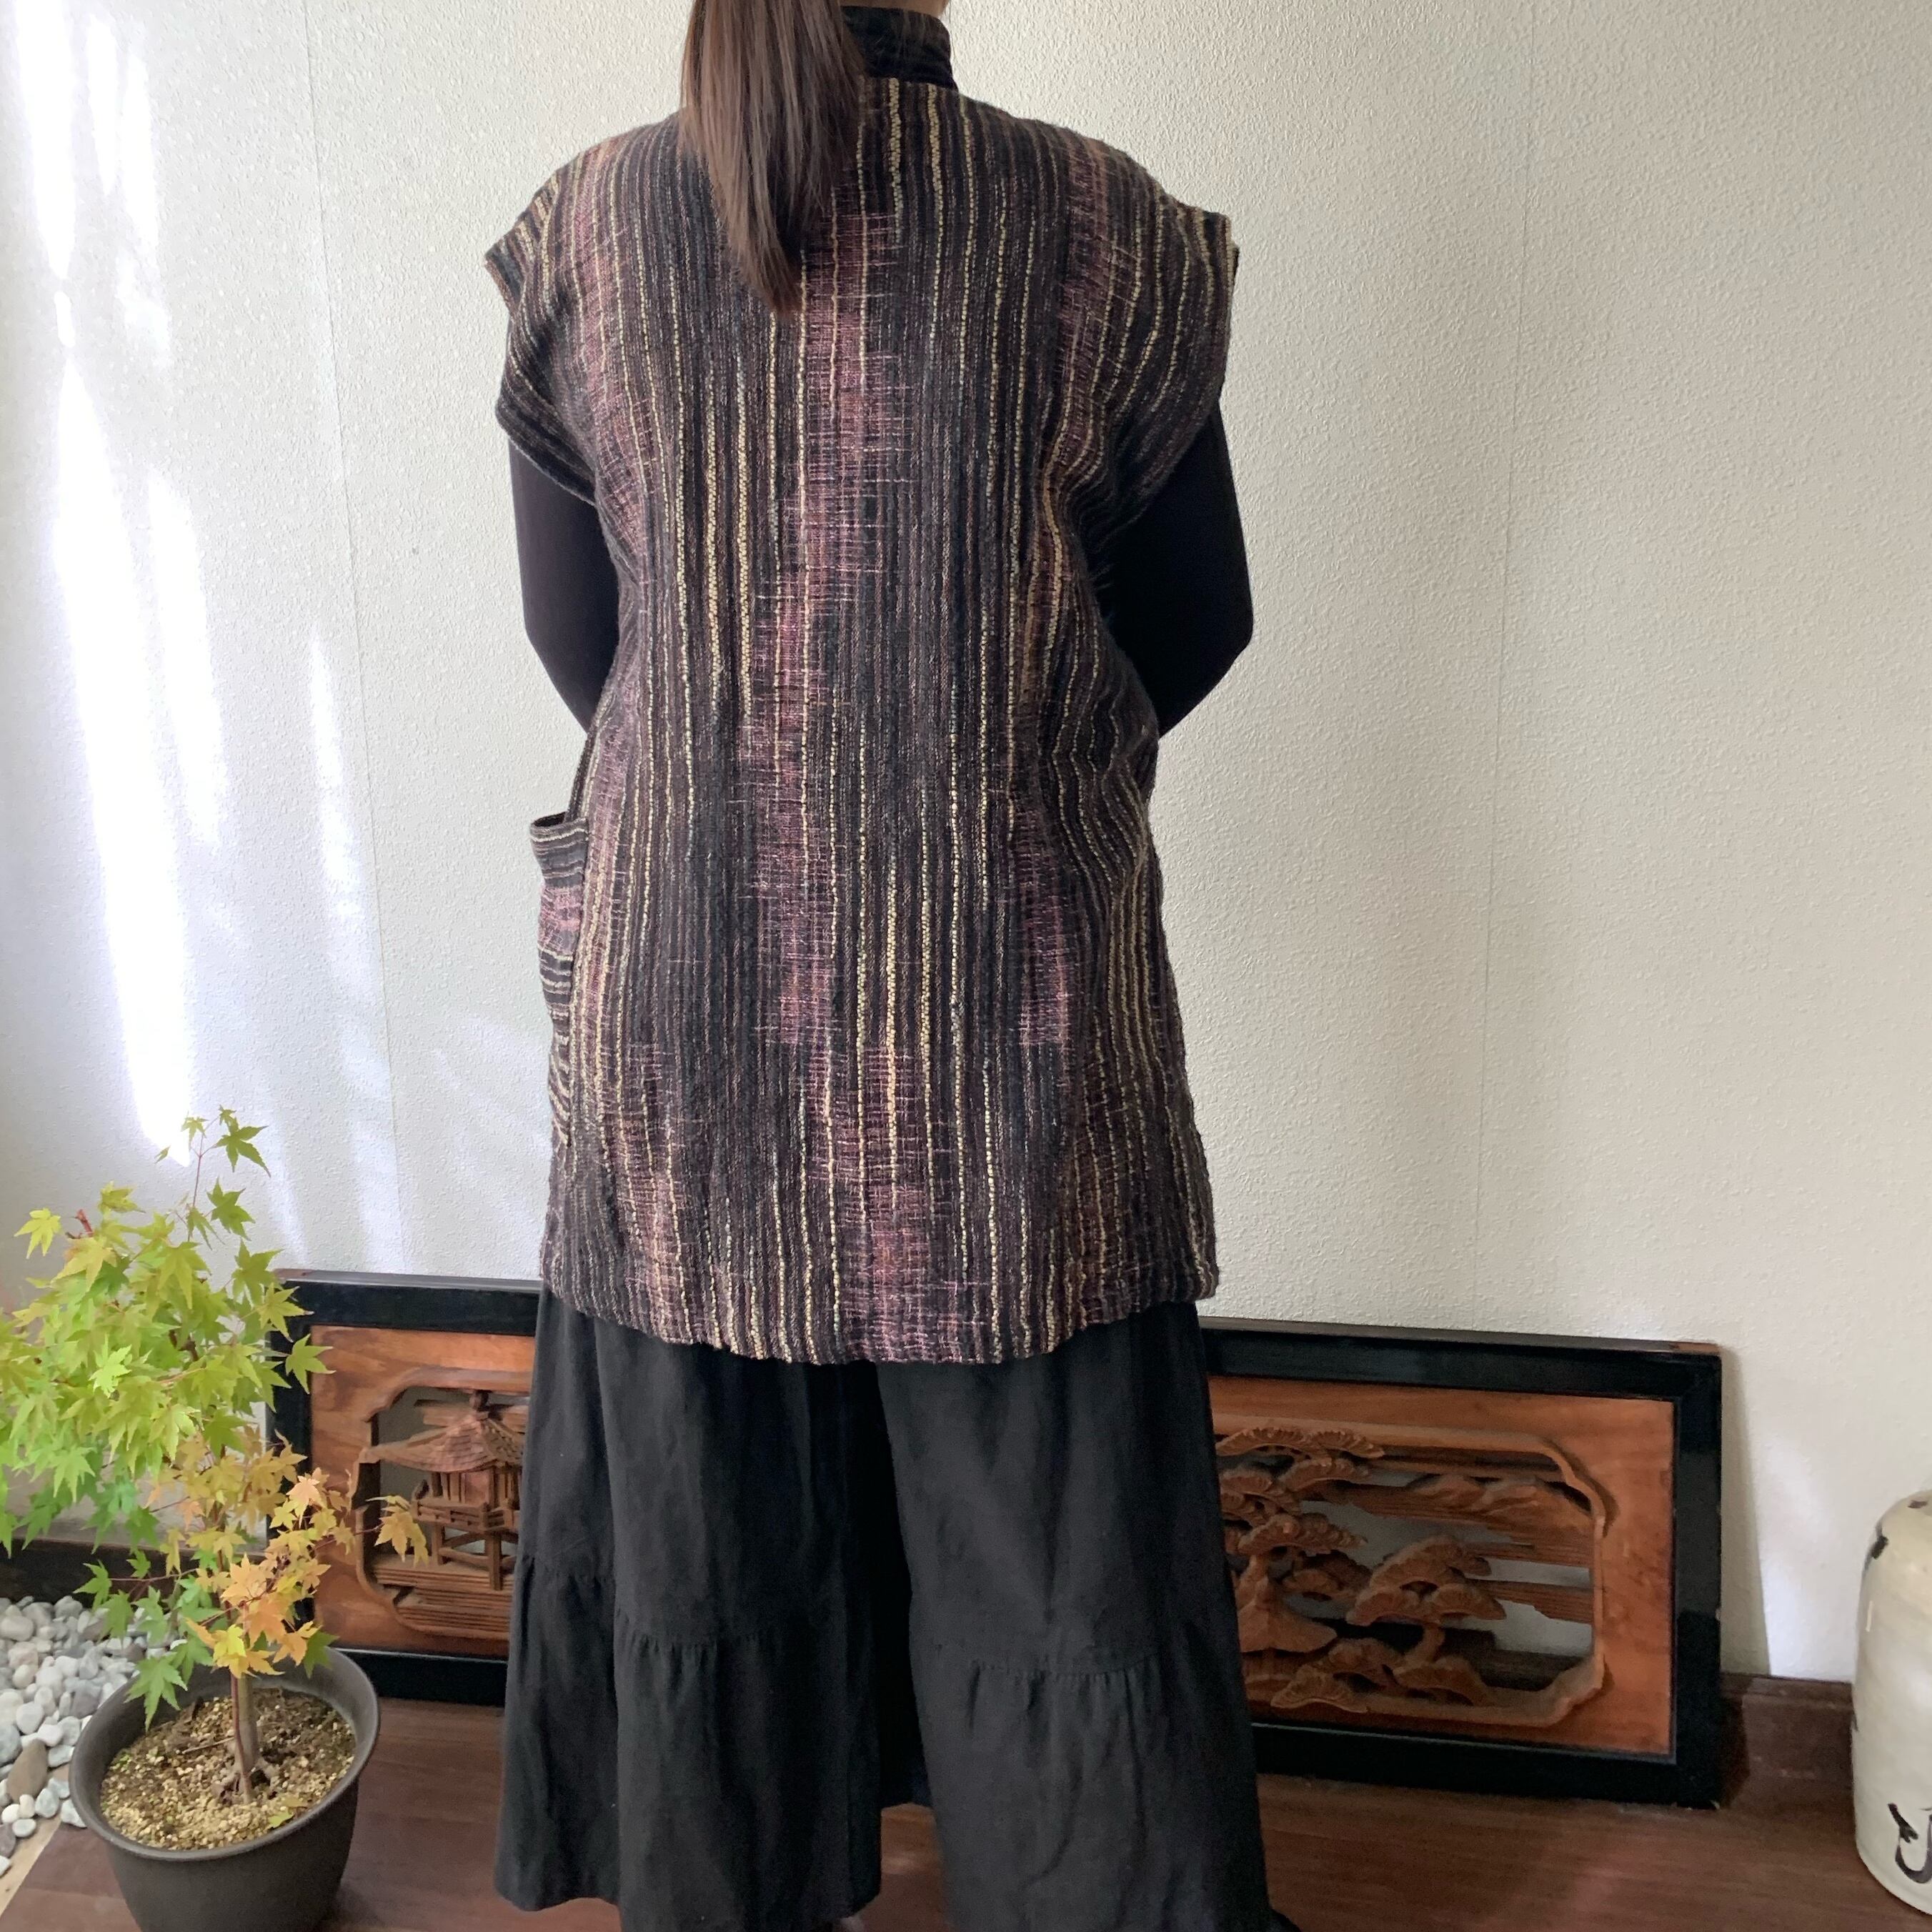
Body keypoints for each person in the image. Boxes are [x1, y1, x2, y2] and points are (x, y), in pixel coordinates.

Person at [484, 5, 1295, 1930]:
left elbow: (581, 643)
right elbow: (1201, 620)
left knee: (713, 1540)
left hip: (685, 1021)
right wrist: (985, 764)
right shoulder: (1100, 230)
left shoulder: (592, 230)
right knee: (1062, 1555)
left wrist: (752, 788)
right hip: (1006, 1024)